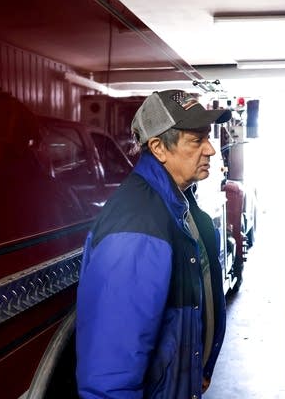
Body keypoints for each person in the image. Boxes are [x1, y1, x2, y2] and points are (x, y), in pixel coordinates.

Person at [76, 89, 231, 398]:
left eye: (208, 138)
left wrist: (200, 367)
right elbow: (111, 370)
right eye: (196, 140)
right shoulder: (138, 225)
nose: (211, 150)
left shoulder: (178, 204)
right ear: (159, 148)